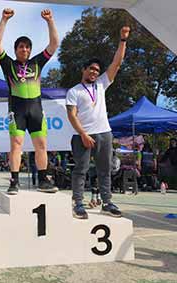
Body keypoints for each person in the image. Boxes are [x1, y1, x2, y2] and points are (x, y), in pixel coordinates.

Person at [66, 26, 130, 219]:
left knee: (105, 170)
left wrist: (123, 40)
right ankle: (78, 203)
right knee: (80, 170)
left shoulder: (101, 84)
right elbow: (72, 115)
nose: (94, 72)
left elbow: (117, 63)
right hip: (82, 135)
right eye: (91, 68)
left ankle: (107, 202)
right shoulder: (74, 91)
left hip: (104, 133)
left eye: (97, 70)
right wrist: (84, 134)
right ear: (84, 69)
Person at [0, 8, 59, 194]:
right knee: (16, 144)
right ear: (16, 50)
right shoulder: (8, 65)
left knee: (41, 145)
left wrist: (50, 20)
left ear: (30, 50)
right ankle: (14, 181)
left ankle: (43, 180)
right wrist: (4, 20)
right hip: (18, 109)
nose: (24, 49)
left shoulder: (37, 62)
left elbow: (54, 44)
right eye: (20, 46)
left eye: (27, 47)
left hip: (36, 109)